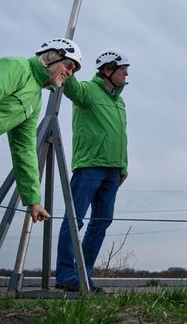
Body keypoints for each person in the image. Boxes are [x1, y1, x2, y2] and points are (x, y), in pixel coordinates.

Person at [0, 38, 82, 224]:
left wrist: (33, 200)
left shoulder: (34, 99)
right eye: (68, 65)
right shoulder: (15, 67)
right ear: (51, 57)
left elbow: (24, 149)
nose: (70, 72)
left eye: (73, 69)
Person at [54, 50, 131, 293]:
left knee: (102, 222)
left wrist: (123, 166)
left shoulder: (119, 101)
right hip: (89, 167)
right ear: (107, 70)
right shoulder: (87, 90)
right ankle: (66, 275)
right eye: (122, 69)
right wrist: (66, 59)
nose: (126, 73)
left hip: (113, 171)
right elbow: (71, 87)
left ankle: (83, 275)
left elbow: (121, 136)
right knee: (75, 220)